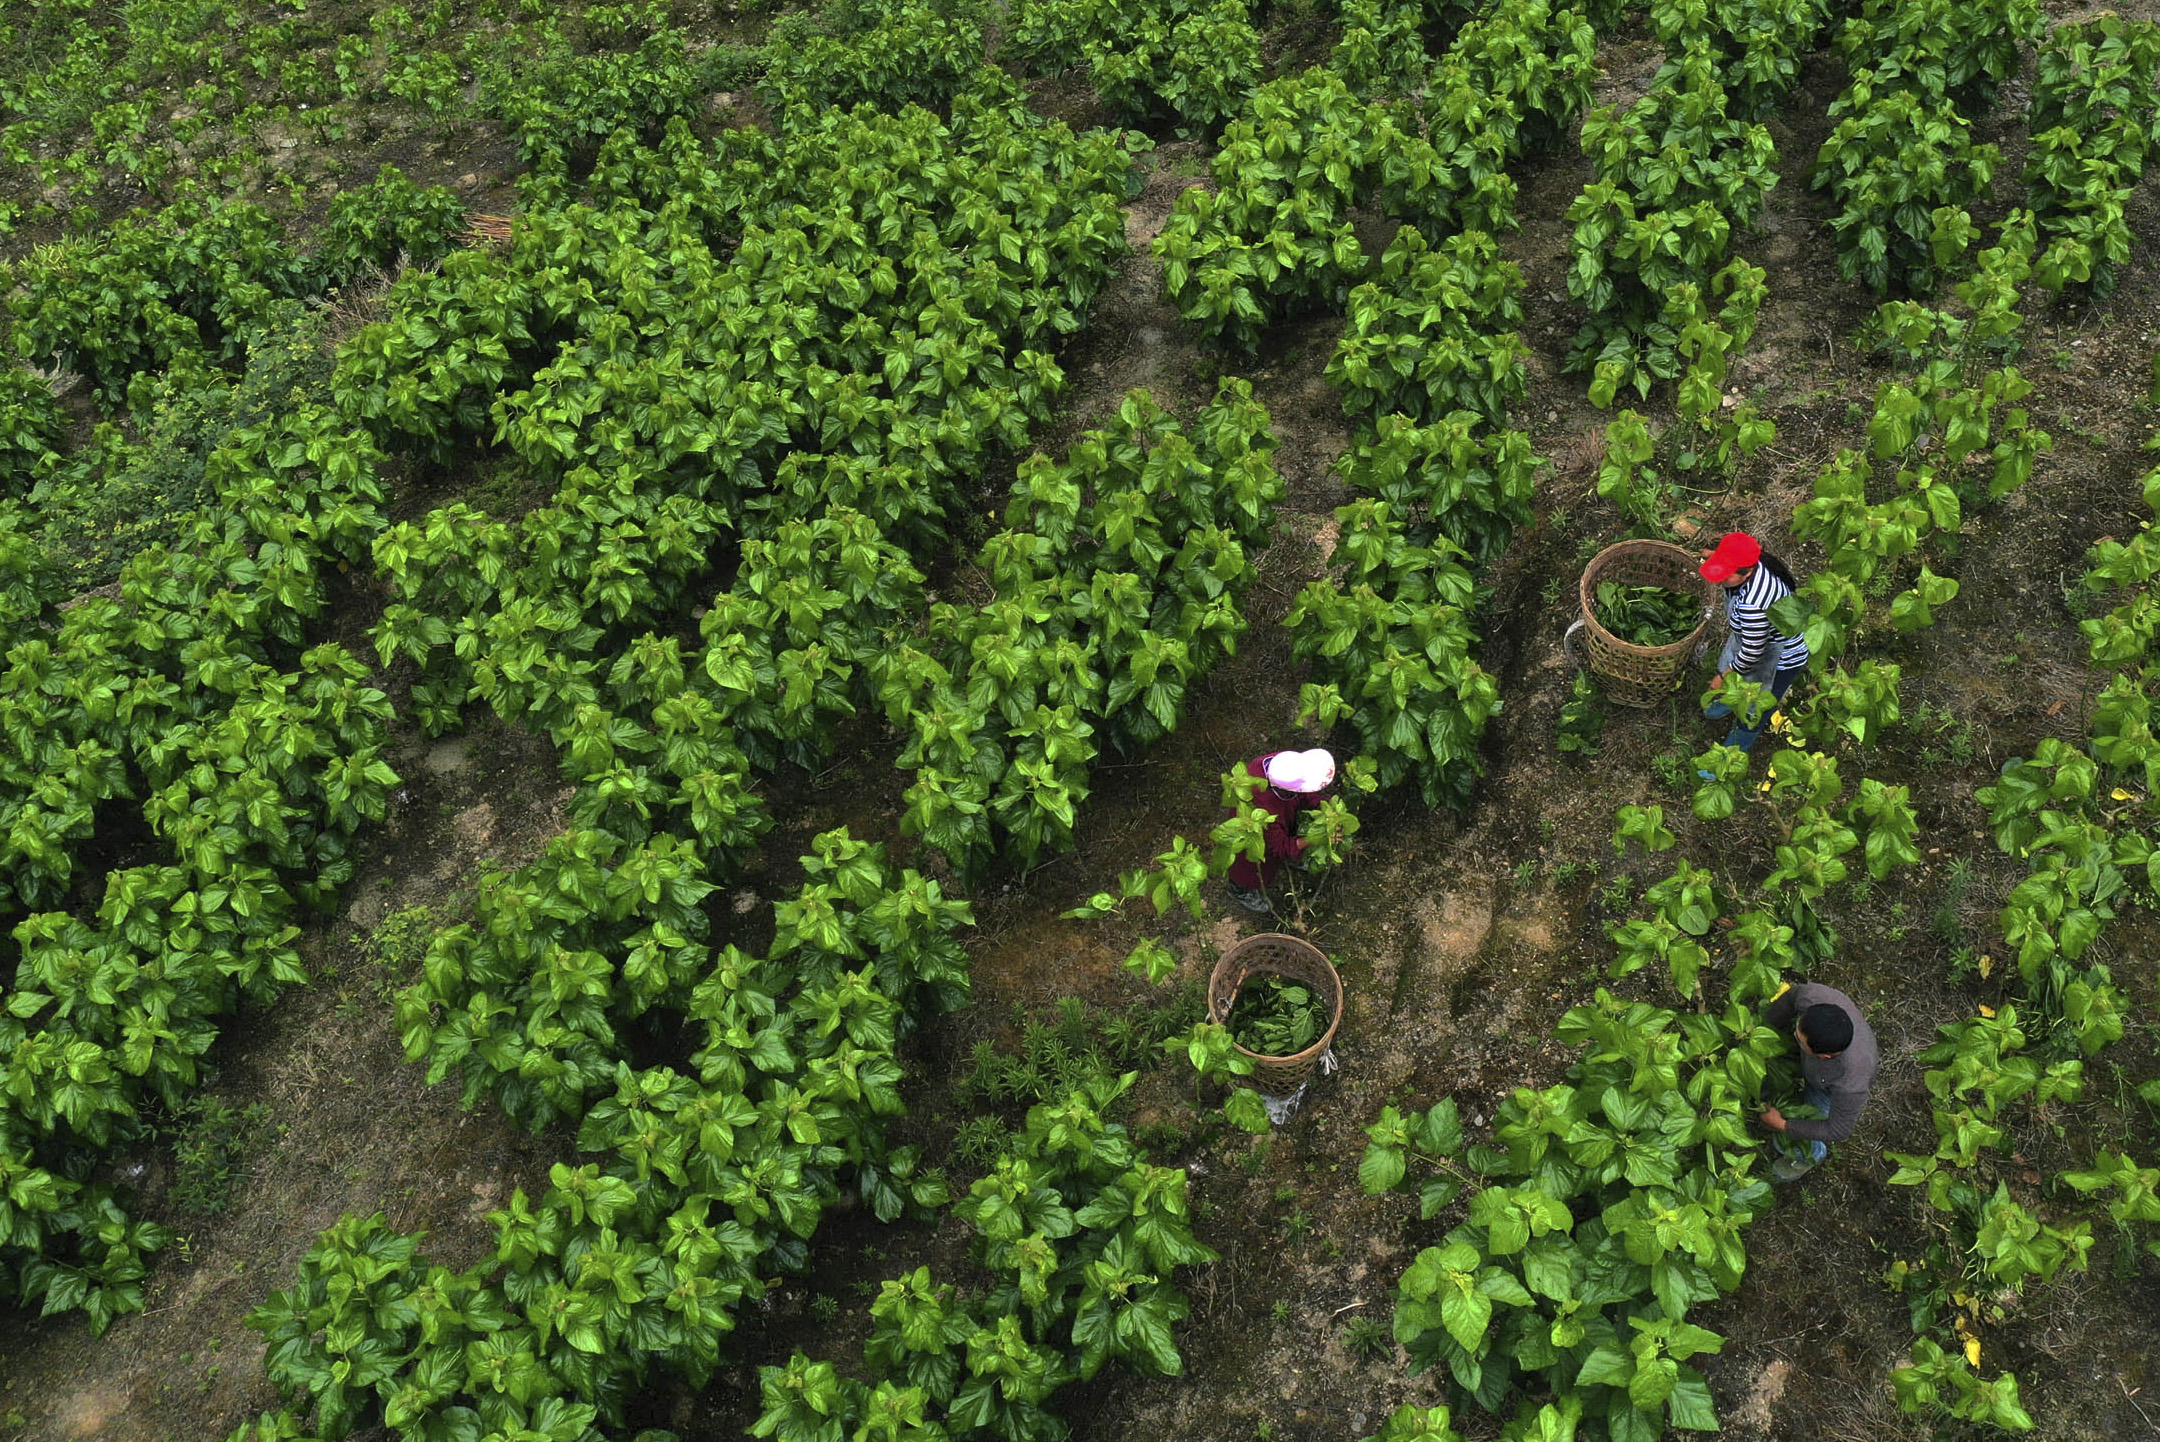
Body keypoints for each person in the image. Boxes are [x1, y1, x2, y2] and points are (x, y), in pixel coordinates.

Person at [1699, 531, 1811, 763]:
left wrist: (1723, 676)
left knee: (1754, 708)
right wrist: (1716, 557)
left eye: (1725, 573)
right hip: (1751, 639)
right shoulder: (1755, 564)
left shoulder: (1753, 605)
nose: (1720, 578)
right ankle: (1729, 702)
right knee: (1737, 684)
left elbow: (1752, 654)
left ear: (1747, 571)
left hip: (1776, 658)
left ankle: (1731, 755)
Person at [1757, 981, 1878, 1182]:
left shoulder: (1850, 1082)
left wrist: (1782, 1124)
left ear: (1824, 1056)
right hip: (1812, 1062)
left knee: (1809, 1128)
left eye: (1799, 1038)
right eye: (1798, 1027)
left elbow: (1837, 1130)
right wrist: (1763, 1033)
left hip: (1825, 1086)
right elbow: (1789, 1001)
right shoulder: (1812, 997)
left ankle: (1807, 1157)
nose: (1795, 1033)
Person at [1224, 748, 1334, 914]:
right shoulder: (1264, 804)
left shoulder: (1281, 763)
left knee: (1288, 832)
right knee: (1249, 865)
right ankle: (1239, 891)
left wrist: (1324, 806)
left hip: (1278, 817)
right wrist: (1313, 838)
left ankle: (1292, 856)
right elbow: (1279, 846)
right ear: (1286, 790)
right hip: (1252, 833)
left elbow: (1304, 793)